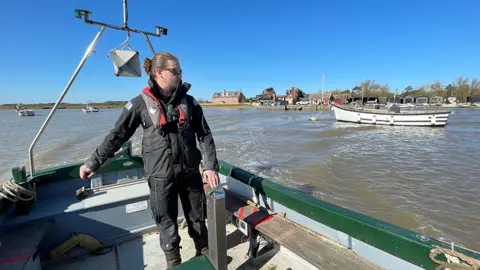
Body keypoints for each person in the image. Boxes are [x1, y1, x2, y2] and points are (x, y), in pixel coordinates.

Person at [79, 52, 220, 268]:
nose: (180, 74)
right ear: (159, 73)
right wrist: (93, 162)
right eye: (176, 71)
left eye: (180, 70)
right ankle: (174, 263)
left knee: (198, 220)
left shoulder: (190, 103)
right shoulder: (139, 104)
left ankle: (206, 255)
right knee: (167, 225)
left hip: (190, 174)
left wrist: (210, 166)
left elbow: (205, 135)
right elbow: (117, 136)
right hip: (160, 178)